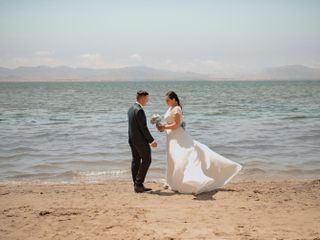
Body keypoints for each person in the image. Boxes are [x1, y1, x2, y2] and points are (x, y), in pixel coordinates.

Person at [158, 91, 242, 194]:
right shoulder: (171, 108)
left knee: (181, 157)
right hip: (171, 136)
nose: (166, 102)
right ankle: (172, 182)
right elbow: (170, 122)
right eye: (165, 100)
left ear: (174, 99)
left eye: (168, 100)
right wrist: (163, 126)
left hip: (177, 137)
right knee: (172, 158)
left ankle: (185, 181)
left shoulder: (176, 109)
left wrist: (164, 126)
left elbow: (176, 125)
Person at [128, 90, 157, 193]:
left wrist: (131, 139)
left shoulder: (131, 108)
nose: (147, 101)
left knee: (135, 161)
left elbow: (131, 127)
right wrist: (151, 140)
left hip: (132, 139)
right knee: (147, 160)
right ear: (141, 98)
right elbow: (143, 128)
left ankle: (136, 185)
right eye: (146, 99)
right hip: (140, 141)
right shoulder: (139, 110)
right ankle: (139, 184)